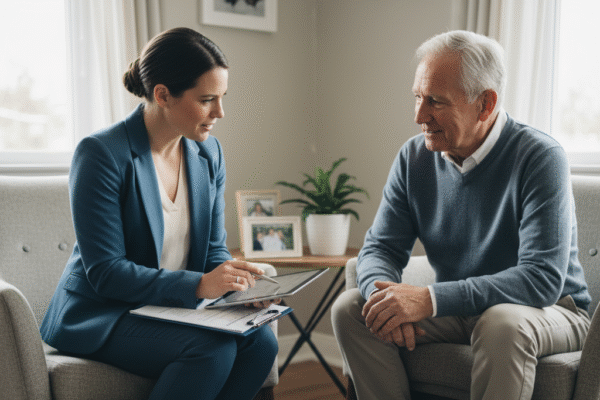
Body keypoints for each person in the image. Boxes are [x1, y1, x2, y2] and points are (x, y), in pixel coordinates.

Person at [331, 30, 591, 400]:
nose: (420, 115)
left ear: (485, 104)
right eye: (418, 97)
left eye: (435, 101)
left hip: (548, 310)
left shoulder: (540, 157)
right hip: (463, 306)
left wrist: (431, 299)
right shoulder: (414, 158)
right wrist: (383, 301)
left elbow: (541, 279)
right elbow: (380, 248)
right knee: (352, 309)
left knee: (501, 323)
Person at [40, 27, 278, 400]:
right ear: (162, 94)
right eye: (207, 99)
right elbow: (105, 272)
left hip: (169, 309)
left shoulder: (208, 153)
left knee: (261, 343)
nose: (220, 112)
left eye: (222, 98)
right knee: (210, 349)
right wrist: (199, 286)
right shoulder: (101, 154)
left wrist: (236, 287)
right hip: (103, 313)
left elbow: (214, 250)